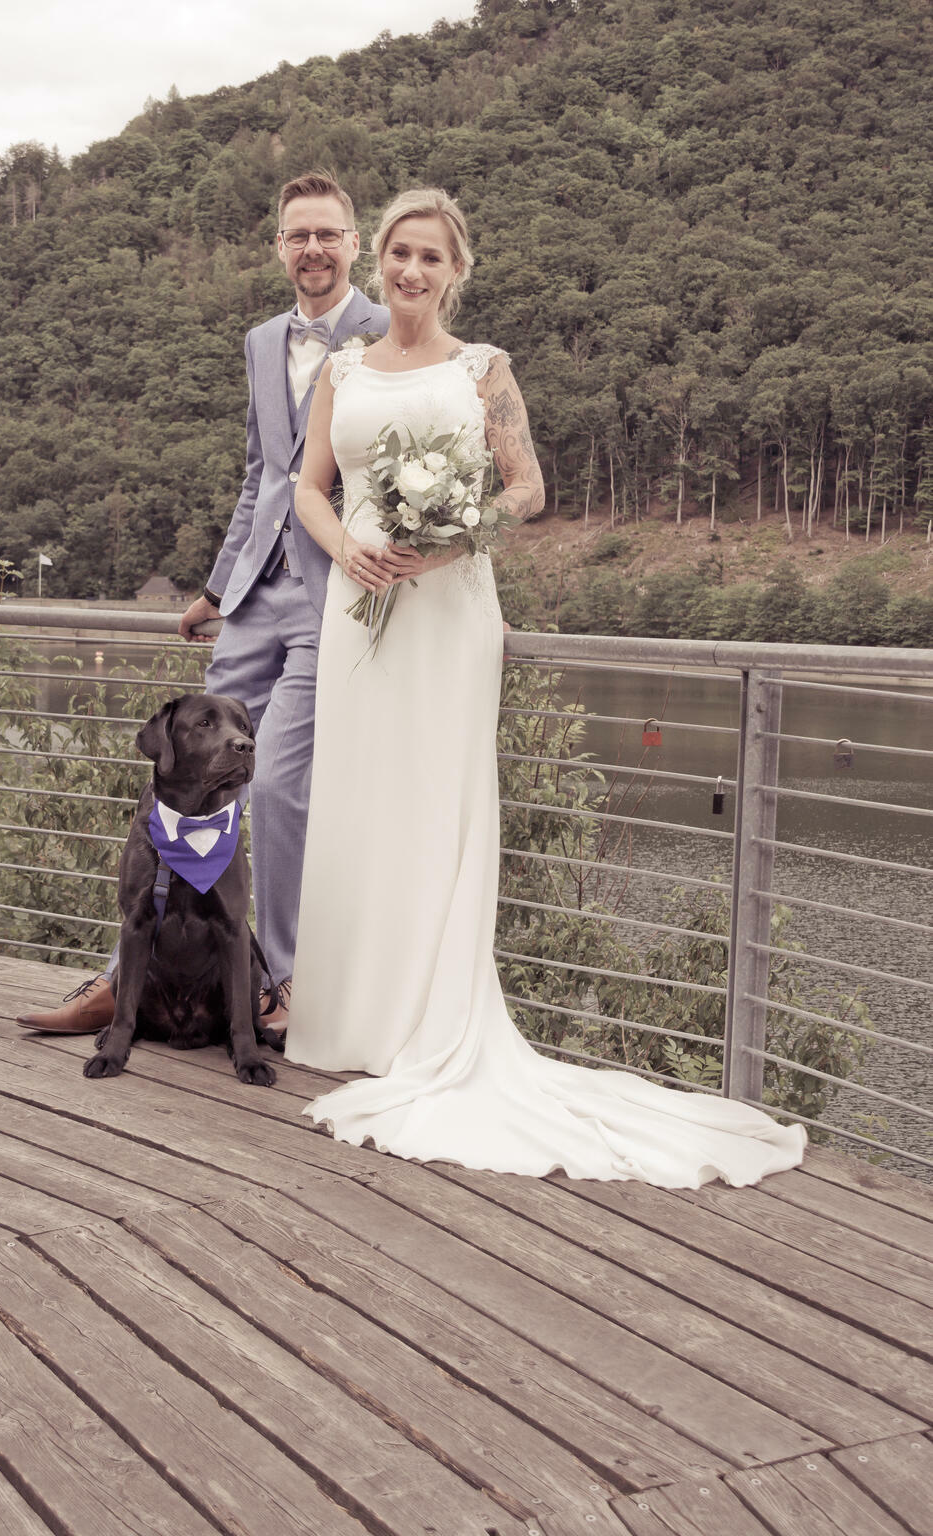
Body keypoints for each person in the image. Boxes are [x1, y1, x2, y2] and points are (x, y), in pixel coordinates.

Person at [284, 187, 806, 1186]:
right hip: (356, 607)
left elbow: (525, 487)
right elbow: (308, 486)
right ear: (376, 259)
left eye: (430, 257)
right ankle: (346, 1018)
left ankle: (424, 1023)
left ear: (455, 271)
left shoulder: (483, 369)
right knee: (358, 801)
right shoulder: (340, 369)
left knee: (434, 803)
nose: (410, 270)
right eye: (398, 252)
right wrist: (345, 546)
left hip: (447, 609)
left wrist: (452, 536)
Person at [16, 173, 390, 1035]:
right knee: (188, 781)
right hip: (254, 596)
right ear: (279, 247)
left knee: (277, 784)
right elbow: (262, 475)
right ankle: (122, 975)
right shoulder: (260, 342)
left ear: (353, 242)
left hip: (333, 595)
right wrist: (218, 588)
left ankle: (279, 981)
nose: (313, 249)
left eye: (327, 234)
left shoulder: (385, 330)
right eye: (297, 235)